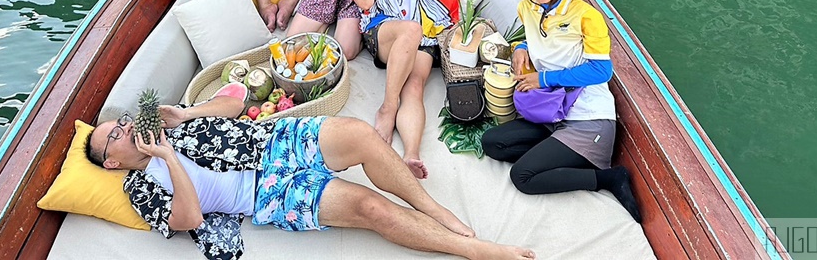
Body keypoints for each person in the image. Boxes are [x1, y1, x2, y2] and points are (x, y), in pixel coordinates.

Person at [87, 95, 536, 260]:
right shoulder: (140, 188)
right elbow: (187, 219)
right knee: (369, 207)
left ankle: (433, 207)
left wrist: (186, 113)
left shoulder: (167, 122)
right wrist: (169, 157)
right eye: (115, 137)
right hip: (267, 194)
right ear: (112, 162)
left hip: (272, 140)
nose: (128, 129)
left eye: (123, 122)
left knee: (360, 133)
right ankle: (474, 250)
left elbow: (236, 98)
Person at [352, 0, 542, 178]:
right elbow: (365, 2)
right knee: (409, 30)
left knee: (415, 86)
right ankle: (388, 106)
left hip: (425, 35)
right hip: (383, 32)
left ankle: (411, 154)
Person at [481, 0, 642, 222]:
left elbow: (601, 70)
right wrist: (520, 46)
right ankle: (554, 150)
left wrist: (542, 79)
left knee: (523, 176)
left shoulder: (586, 16)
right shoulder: (526, 8)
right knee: (493, 143)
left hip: (587, 119)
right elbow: (534, 36)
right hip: (552, 113)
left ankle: (608, 178)